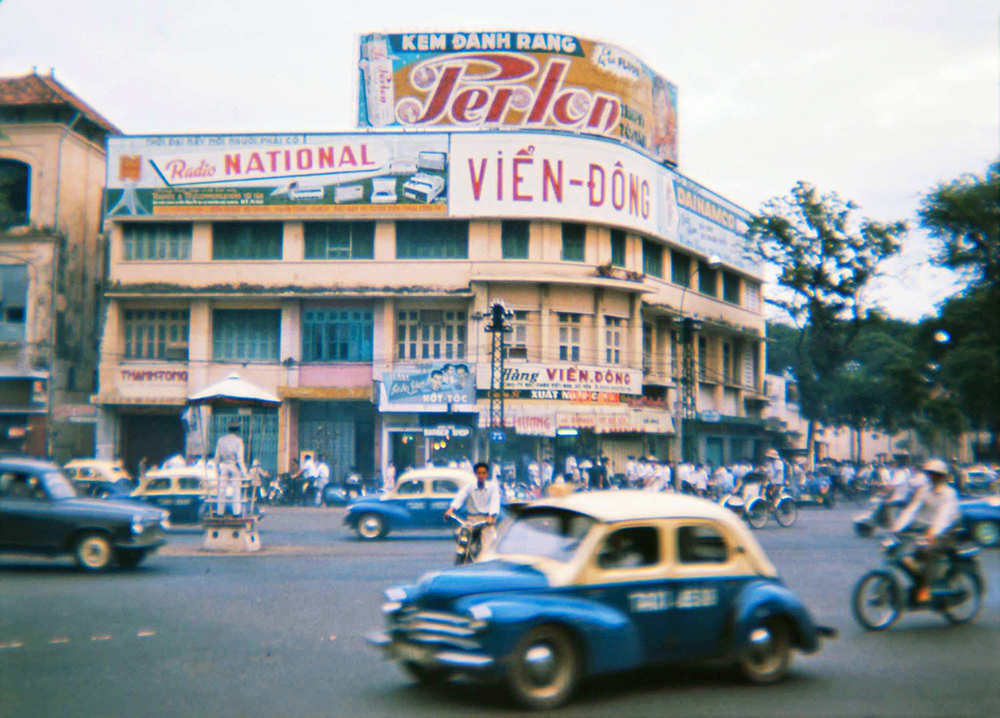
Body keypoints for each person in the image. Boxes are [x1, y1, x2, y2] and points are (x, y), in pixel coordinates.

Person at [891, 458, 961, 604]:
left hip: (946, 532)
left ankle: (925, 587)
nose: (932, 477)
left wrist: (933, 532)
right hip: (927, 530)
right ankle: (918, 581)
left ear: (942, 476)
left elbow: (944, 515)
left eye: (935, 474)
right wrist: (898, 526)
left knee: (928, 550)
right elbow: (912, 509)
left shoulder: (949, 493)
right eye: (930, 474)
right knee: (907, 556)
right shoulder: (924, 490)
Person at [444, 462, 501, 552]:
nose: (481, 476)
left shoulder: (493, 487)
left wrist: (491, 516)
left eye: (483, 473)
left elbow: (495, 502)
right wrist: (451, 509)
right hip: (471, 520)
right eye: (479, 473)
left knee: (487, 548)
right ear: (475, 474)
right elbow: (461, 497)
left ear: (487, 474)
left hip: (486, 521)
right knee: (462, 538)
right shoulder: (469, 487)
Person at [213, 423, 247, 516]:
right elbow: (240, 458)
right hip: (234, 465)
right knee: (236, 489)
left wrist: (217, 470)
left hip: (224, 465)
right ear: (237, 431)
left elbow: (217, 457)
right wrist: (244, 472)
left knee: (221, 490)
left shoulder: (221, 440)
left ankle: (220, 512)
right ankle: (236, 512)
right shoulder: (238, 441)